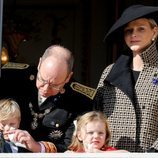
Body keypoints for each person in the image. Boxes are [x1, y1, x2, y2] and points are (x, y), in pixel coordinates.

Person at [0, 45, 96, 152]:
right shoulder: (11, 77)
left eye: (54, 85)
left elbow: (70, 147)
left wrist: (38, 147)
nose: (45, 89)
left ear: (68, 77)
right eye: (42, 80)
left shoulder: (80, 101)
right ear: (40, 63)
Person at [94, 5, 158, 152]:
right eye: (128, 31)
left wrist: (154, 152)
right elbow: (96, 116)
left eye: (141, 29)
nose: (133, 34)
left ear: (155, 32)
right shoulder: (109, 72)